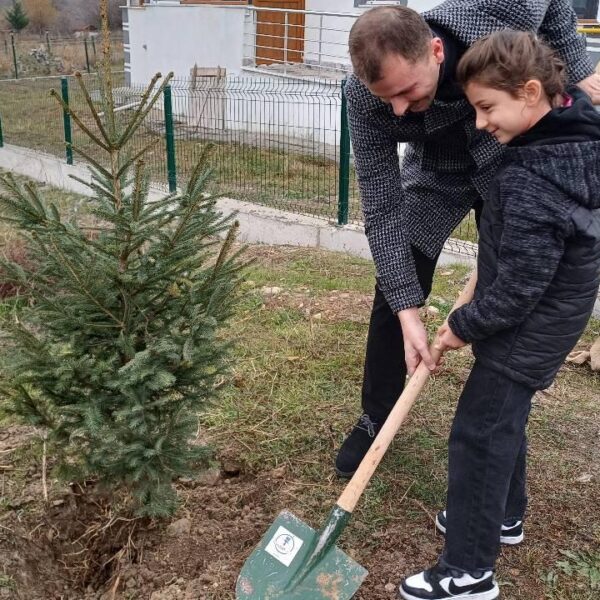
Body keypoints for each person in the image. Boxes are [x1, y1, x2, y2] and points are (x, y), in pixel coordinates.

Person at [335, 0, 600, 478]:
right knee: (395, 282)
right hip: (437, 172)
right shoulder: (362, 95)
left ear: (436, 51)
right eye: (385, 98)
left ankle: (494, 414)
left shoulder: (500, 11)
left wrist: (578, 70)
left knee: (506, 288)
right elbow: (381, 202)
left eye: (407, 92)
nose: (396, 109)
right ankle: (376, 418)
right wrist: (408, 311)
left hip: (508, 161)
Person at [398, 30, 600, 600]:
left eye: (488, 108)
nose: (481, 123)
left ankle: (467, 569)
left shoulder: (534, 175)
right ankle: (504, 516)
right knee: (502, 420)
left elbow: (519, 288)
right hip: (552, 312)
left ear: (532, 92)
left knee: (480, 433)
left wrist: (463, 325)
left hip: (530, 321)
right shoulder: (572, 137)